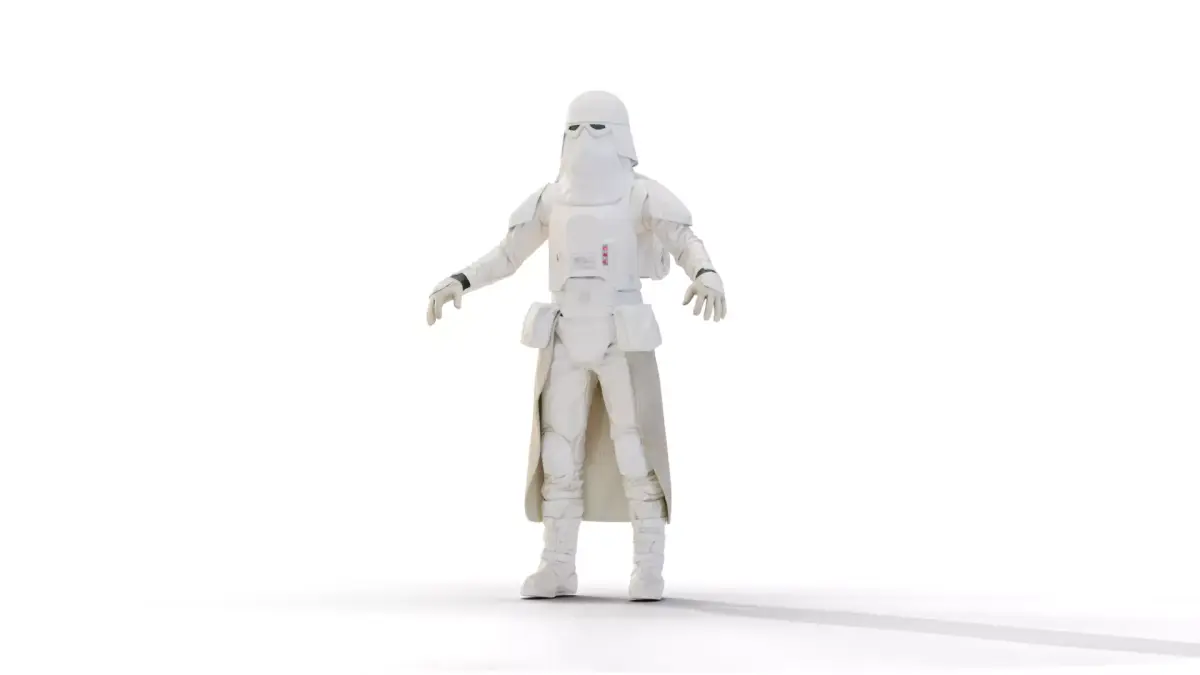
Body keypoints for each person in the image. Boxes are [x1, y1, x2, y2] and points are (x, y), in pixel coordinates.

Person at [426, 91, 726, 601]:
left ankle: (647, 567)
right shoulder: (552, 198)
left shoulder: (639, 194)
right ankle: (557, 565)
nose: (585, 137)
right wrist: (461, 279)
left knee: (636, 448)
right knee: (558, 453)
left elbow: (681, 237)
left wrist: (706, 272)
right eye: (575, 128)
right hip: (565, 332)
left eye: (597, 127)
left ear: (620, 136)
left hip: (620, 332)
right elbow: (508, 254)